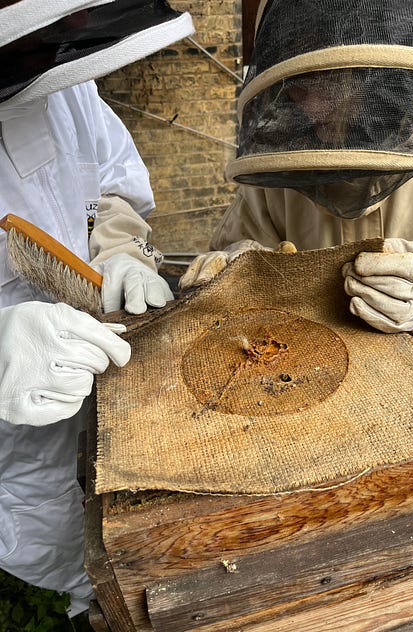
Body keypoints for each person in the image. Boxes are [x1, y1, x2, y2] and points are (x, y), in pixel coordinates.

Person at [179, 0, 413, 626]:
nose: (311, 111)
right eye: (301, 90)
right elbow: (240, 242)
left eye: (328, 93)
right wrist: (230, 272)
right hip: (296, 422)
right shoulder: (284, 125)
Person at [0, 0, 194, 617]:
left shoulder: (65, 87)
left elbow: (109, 188)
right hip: (14, 466)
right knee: (81, 570)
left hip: (103, 407)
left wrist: (120, 252)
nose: (71, 37)